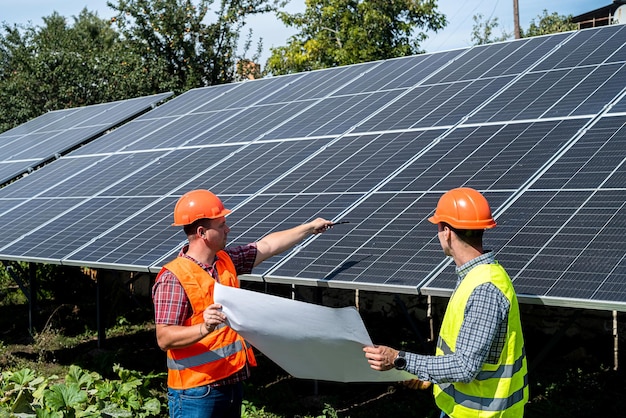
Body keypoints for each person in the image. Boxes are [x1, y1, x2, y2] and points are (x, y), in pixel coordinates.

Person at [152, 189, 334, 418]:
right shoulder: (174, 278)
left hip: (231, 381)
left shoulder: (226, 260)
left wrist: (308, 228)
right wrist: (204, 327)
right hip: (197, 392)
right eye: (221, 225)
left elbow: (267, 246)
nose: (227, 229)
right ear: (202, 232)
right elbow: (164, 338)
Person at [363, 187, 528, 417]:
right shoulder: (475, 276)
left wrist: (398, 359)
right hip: (462, 407)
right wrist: (426, 373)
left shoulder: (484, 289)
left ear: (446, 231)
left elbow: (465, 367)